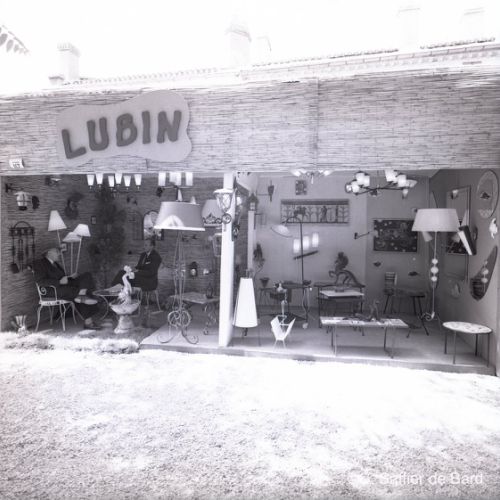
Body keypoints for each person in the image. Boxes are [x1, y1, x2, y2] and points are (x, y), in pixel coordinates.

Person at [33, 248, 100, 329]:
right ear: (49, 252)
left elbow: (61, 277)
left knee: (86, 276)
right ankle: (88, 322)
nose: (59, 254)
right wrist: (59, 282)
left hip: (63, 286)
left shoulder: (55, 264)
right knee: (76, 290)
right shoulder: (40, 264)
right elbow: (40, 281)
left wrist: (70, 277)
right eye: (57, 252)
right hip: (52, 290)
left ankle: (81, 295)